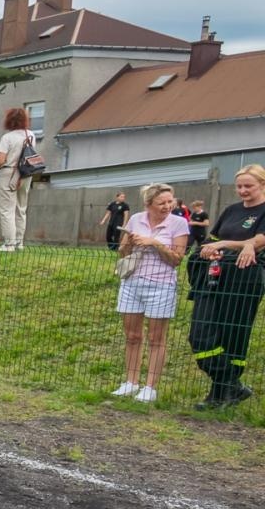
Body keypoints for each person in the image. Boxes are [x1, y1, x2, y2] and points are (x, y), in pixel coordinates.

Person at [190, 165, 265, 408]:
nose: (243, 190)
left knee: (233, 334)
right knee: (200, 335)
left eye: (248, 186)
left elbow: (259, 240)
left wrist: (244, 244)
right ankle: (233, 386)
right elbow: (213, 240)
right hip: (217, 278)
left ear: (262, 185)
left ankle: (219, 395)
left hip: (245, 279)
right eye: (240, 186)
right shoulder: (231, 210)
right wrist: (211, 251)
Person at [112, 184, 188, 404]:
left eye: (169, 201)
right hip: (132, 282)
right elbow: (122, 251)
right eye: (161, 203)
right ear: (148, 204)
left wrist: (155, 243)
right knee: (132, 336)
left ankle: (150, 387)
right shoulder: (136, 219)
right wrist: (128, 243)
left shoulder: (179, 223)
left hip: (161, 285)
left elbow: (176, 260)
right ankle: (130, 382)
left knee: (156, 338)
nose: (167, 206)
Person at [0, 107, 34, 251]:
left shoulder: (7, 137)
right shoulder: (30, 135)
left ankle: (9, 244)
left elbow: (0, 160)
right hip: (26, 173)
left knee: (6, 210)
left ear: (9, 120)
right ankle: (19, 243)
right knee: (21, 208)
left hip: (9, 173)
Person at [184, 199, 211, 297]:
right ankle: (185, 254)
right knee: (188, 243)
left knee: (200, 246)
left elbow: (206, 223)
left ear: (199, 207)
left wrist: (195, 223)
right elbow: (190, 220)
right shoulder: (194, 214)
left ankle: (200, 257)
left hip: (200, 232)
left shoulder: (204, 214)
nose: (194, 209)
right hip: (193, 232)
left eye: (195, 207)